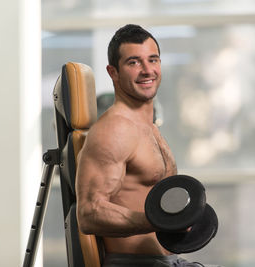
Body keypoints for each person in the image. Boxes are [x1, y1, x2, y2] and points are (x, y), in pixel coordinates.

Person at [76, 24, 207, 267]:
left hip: (169, 260)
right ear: (113, 72)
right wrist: (157, 221)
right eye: (134, 62)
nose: (148, 70)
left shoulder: (149, 127)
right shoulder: (114, 130)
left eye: (153, 60)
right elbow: (89, 213)